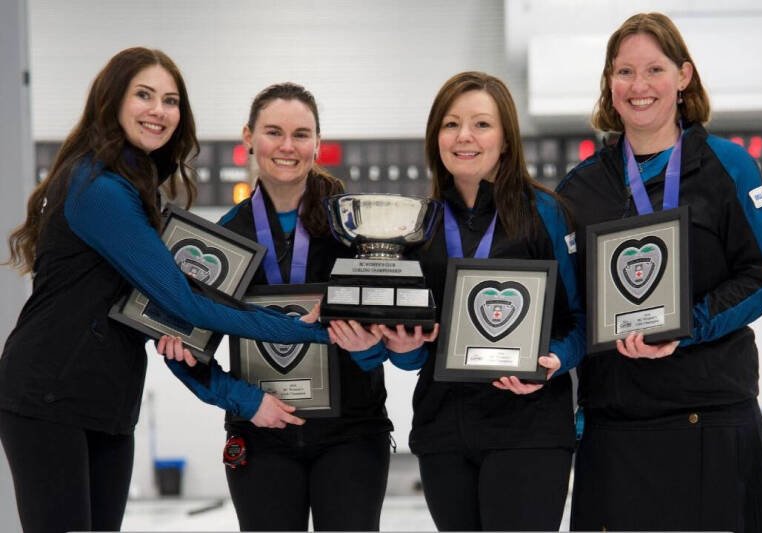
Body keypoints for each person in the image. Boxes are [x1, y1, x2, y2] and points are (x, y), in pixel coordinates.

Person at [0, 49, 328, 533]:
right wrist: (309, 331)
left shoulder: (134, 184)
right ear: (112, 100)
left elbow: (152, 309)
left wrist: (207, 367)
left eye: (170, 100)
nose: (159, 110)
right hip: (51, 395)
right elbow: (181, 301)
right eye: (145, 95)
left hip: (106, 398)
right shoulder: (98, 187)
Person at [556, 13, 762, 532]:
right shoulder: (580, 188)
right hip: (617, 424)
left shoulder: (729, 166)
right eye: (624, 72)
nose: (639, 87)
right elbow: (570, 307)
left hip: (711, 416)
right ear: (609, 84)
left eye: (654, 69)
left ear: (683, 77)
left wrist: (687, 327)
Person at [158, 82, 393, 531]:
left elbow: (387, 338)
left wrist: (366, 348)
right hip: (261, 434)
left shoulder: (354, 230)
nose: (287, 146)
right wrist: (244, 401)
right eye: (273, 132)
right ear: (248, 137)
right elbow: (187, 351)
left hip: (351, 434)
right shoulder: (222, 238)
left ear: (318, 144)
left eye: (301, 134)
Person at [369, 71, 585, 531]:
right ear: (435, 138)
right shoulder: (416, 227)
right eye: (451, 124)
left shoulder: (546, 214)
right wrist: (404, 351)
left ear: (506, 139)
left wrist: (553, 364)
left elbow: (581, 320)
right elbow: (415, 350)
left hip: (528, 429)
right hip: (442, 432)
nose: (464, 136)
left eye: (481, 124)